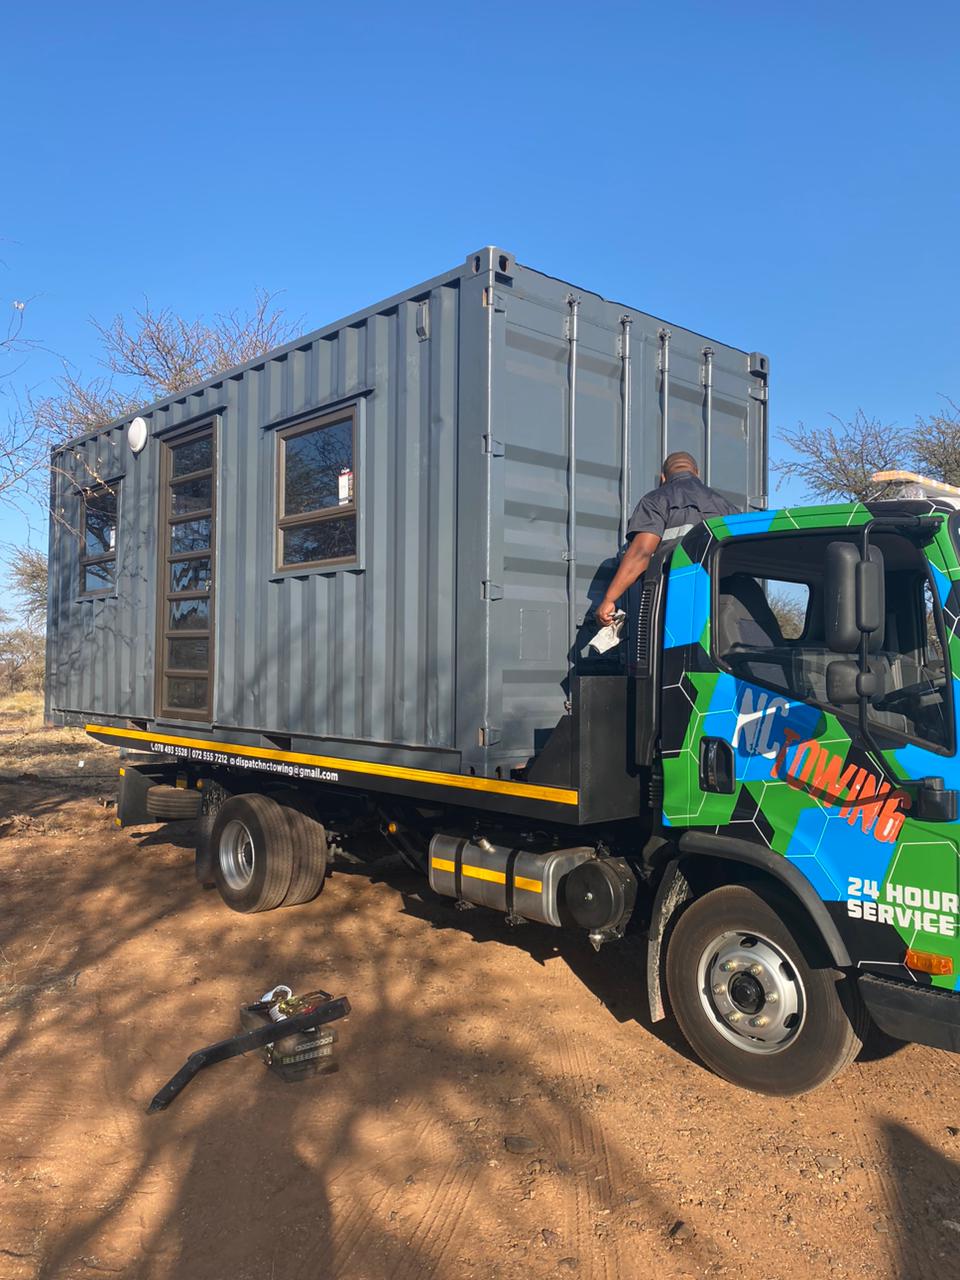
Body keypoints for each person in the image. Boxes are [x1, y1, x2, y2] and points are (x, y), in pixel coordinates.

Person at [595, 451, 739, 626]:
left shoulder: (656, 500)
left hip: (674, 603)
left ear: (663, 477)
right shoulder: (728, 507)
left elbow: (641, 552)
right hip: (720, 608)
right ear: (697, 473)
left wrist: (609, 599)